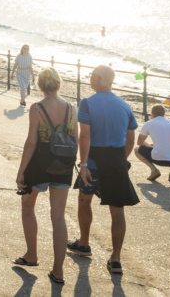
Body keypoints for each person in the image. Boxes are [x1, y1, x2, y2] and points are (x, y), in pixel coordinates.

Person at [68, 65, 140, 274]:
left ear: (101, 79)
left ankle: (83, 243)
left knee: (84, 200)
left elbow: (85, 136)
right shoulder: (124, 105)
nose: (90, 79)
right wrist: (120, 160)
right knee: (117, 211)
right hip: (116, 162)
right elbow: (130, 140)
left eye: (92, 76)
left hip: (92, 163)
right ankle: (116, 259)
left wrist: (83, 164)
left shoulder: (88, 103)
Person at [15, 68, 77, 285]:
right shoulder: (71, 109)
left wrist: (21, 170)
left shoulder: (37, 108)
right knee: (58, 216)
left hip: (40, 162)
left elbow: (31, 141)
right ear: (59, 85)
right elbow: (74, 138)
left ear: (40, 86)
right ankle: (58, 271)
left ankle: (32, 255)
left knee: (28, 204)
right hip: (64, 164)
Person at [135, 105, 170, 182]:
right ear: (164, 114)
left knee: (137, 150)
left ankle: (154, 170)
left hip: (159, 159)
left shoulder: (148, 124)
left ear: (152, 114)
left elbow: (139, 142)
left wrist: (149, 145)